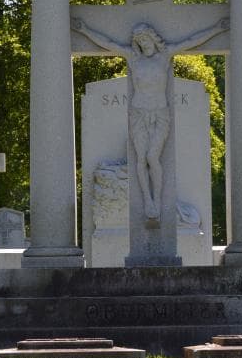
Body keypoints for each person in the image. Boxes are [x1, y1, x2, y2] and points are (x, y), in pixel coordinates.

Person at [72, 17, 228, 224]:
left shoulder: (165, 56)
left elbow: (192, 41)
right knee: (140, 159)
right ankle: (147, 200)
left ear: (153, 40)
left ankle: (156, 198)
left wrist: (217, 28)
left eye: (146, 40)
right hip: (138, 113)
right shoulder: (133, 58)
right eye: (140, 41)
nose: (144, 44)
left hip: (160, 114)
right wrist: (84, 30)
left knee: (153, 157)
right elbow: (108, 43)